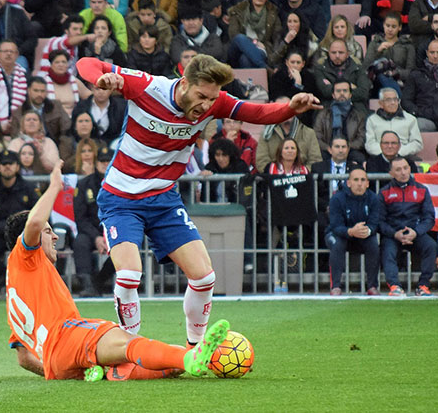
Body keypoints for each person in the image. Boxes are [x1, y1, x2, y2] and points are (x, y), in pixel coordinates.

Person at [76, 54, 321, 344]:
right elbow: (87, 63)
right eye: (201, 96)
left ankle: (196, 349)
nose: (207, 105)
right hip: (121, 198)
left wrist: (289, 108)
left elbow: (255, 112)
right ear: (184, 83)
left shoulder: (215, 102)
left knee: (204, 277)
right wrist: (102, 79)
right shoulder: (146, 87)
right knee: (129, 274)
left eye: (212, 98)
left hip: (163, 199)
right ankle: (127, 351)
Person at [3, 160, 231, 380]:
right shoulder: (25, 257)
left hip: (58, 359)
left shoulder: (16, 282)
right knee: (131, 345)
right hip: (67, 335)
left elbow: (23, 358)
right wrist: (54, 187)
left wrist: (55, 370)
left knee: (165, 361)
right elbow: (33, 224)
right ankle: (190, 356)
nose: (54, 236)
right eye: (47, 231)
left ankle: (157, 365)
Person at [0, 149, 38, 299]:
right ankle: (8, 279)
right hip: (0, 235)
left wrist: (19, 229)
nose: (7, 167)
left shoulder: (29, 190)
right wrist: (13, 225)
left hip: (23, 236)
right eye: (4, 164)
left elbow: (38, 216)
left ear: (17, 166)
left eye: (11, 164)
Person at [377, 156, 437, 297]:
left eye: (405, 168)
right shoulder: (384, 192)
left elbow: (429, 218)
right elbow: (379, 221)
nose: (403, 172)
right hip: (393, 234)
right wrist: (394, 234)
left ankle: (423, 286)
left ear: (410, 169)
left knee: (431, 246)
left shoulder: (422, 190)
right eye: (398, 170)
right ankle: (394, 286)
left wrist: (416, 232)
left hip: (415, 233)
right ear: (391, 173)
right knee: (387, 250)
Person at [325, 166, 380, 296]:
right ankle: (336, 286)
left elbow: (375, 223)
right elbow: (335, 225)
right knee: (337, 244)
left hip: (362, 235)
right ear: (348, 183)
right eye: (356, 180)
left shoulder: (373, 199)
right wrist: (350, 231)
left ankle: (372, 286)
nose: (359, 183)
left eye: (362, 180)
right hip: (339, 234)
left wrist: (368, 231)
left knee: (373, 244)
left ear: (367, 183)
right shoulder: (337, 199)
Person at [72, 146, 115, 297]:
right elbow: (80, 217)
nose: (105, 164)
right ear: (96, 164)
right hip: (91, 231)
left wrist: (107, 236)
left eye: (108, 160)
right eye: (102, 161)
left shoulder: (121, 184)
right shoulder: (84, 184)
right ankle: (87, 285)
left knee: (125, 244)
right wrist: (96, 237)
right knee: (80, 242)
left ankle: (98, 282)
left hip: (114, 230)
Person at [8, 77, 72, 162]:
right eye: (36, 91)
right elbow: (16, 136)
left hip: (52, 146)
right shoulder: (18, 113)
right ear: (29, 91)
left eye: (42, 91)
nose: (39, 94)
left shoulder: (56, 107)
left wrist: (62, 155)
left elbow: (67, 129)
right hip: (26, 150)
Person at [255, 96, 322, 173]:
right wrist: (277, 173)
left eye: (290, 107)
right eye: (282, 108)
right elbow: (261, 161)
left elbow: (316, 161)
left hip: (303, 180)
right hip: (273, 180)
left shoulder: (309, 133)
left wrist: (302, 173)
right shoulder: (266, 134)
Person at [313, 39, 372, 116]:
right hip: (329, 108)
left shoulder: (359, 69)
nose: (337, 55)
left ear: (347, 54)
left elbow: (363, 92)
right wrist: (349, 87)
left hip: (355, 108)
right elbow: (324, 91)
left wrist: (334, 88)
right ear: (328, 53)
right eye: (333, 52)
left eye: (341, 52)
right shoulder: (320, 69)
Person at [313, 79, 366, 163]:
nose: (342, 93)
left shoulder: (358, 115)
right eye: (338, 91)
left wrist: (345, 147)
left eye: (345, 91)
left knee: (360, 158)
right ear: (333, 95)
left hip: (350, 150)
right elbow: (317, 137)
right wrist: (329, 148)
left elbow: (361, 139)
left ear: (350, 94)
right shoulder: (323, 114)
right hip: (327, 150)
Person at [364, 11, 415, 96]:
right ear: (383, 25)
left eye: (393, 26)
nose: (390, 29)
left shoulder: (407, 45)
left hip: (400, 80)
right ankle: (400, 100)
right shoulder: (375, 43)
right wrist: (378, 51)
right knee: (381, 65)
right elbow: (365, 67)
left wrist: (396, 72)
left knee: (383, 69)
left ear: (400, 27)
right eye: (387, 26)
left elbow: (411, 71)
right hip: (376, 82)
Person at [365, 87, 422, 158]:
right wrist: (386, 152)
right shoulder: (372, 120)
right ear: (380, 103)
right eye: (388, 100)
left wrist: (397, 151)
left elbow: (417, 143)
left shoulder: (410, 119)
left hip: (404, 156)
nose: (393, 103)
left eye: (395, 99)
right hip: (380, 157)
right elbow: (370, 144)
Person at [227, 0, 281, 69]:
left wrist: (276, 62)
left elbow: (277, 37)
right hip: (239, 49)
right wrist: (253, 42)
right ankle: (265, 68)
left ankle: (260, 72)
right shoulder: (237, 11)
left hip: (263, 48)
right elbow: (233, 35)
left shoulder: (273, 13)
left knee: (245, 59)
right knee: (240, 37)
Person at [269, 49, 318, 127]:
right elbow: (279, 97)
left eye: (298, 62)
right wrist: (297, 84)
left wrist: (298, 82)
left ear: (303, 64)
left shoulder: (309, 77)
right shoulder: (278, 77)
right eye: (292, 62)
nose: (295, 65)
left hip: (304, 113)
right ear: (287, 63)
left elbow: (309, 98)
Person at [71, 82, 127, 146]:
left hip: (112, 145)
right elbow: (73, 129)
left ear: (111, 90)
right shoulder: (81, 107)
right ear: (92, 89)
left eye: (104, 89)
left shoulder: (121, 107)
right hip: (86, 145)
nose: (101, 92)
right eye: (97, 89)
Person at [42, 50, 90, 117]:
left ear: (67, 64)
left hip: (73, 120)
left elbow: (90, 97)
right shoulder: (43, 83)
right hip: (51, 120)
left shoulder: (75, 82)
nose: (61, 65)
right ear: (51, 65)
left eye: (63, 62)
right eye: (57, 62)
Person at [200, 138, 250, 202]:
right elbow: (204, 197)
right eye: (217, 155)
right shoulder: (210, 168)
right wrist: (202, 177)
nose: (221, 159)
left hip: (236, 209)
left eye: (224, 155)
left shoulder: (241, 167)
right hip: (213, 209)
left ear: (230, 155)